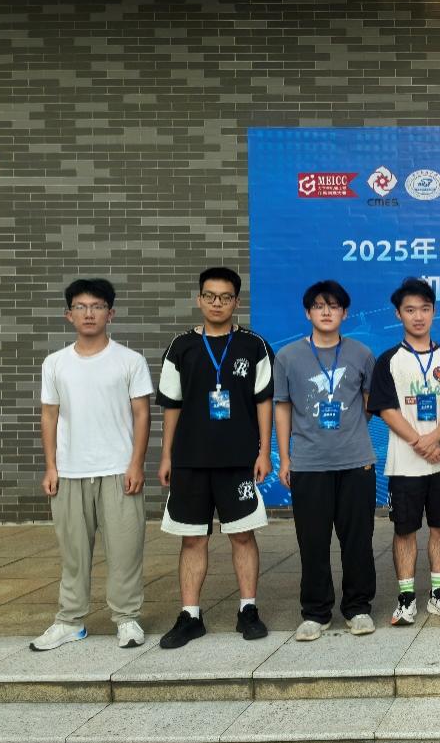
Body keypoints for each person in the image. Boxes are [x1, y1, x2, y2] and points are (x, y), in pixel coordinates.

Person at [157, 267, 275, 649]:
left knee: (242, 534)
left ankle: (248, 609)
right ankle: (190, 615)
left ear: (236, 302)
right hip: (190, 459)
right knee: (192, 539)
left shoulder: (254, 346)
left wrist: (264, 452)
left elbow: (264, 402)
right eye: (210, 296)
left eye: (225, 297)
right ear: (199, 299)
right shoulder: (181, 347)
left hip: (238, 459)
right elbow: (171, 406)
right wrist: (166, 456)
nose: (217, 303)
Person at [34, 278, 153, 651]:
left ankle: (127, 618)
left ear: (110, 314)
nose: (89, 313)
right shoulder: (55, 363)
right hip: (70, 472)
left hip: (119, 470)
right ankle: (69, 621)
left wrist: (136, 464)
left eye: (97, 306)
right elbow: (49, 416)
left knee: (125, 551)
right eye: (81, 307)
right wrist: (51, 466)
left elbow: (142, 414)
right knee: (73, 553)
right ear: (68, 315)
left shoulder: (130, 361)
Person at [275, 280, 378, 642]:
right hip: (308, 463)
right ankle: (315, 612)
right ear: (308, 312)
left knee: (358, 540)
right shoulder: (288, 357)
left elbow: (369, 402)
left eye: (333, 306)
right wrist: (285, 457)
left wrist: (349, 431)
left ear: (345, 313)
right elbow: (283, 407)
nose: (326, 312)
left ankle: (358, 608)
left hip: (356, 462)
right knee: (313, 541)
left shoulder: (361, 353)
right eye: (319, 306)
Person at [369, 277, 440, 626]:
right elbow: (386, 409)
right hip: (405, 464)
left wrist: (435, 438)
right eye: (410, 310)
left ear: (433, 312)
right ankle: (407, 598)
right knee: (404, 530)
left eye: (424, 309)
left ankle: (439, 594)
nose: (418, 316)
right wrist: (420, 441)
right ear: (398, 314)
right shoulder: (389, 360)